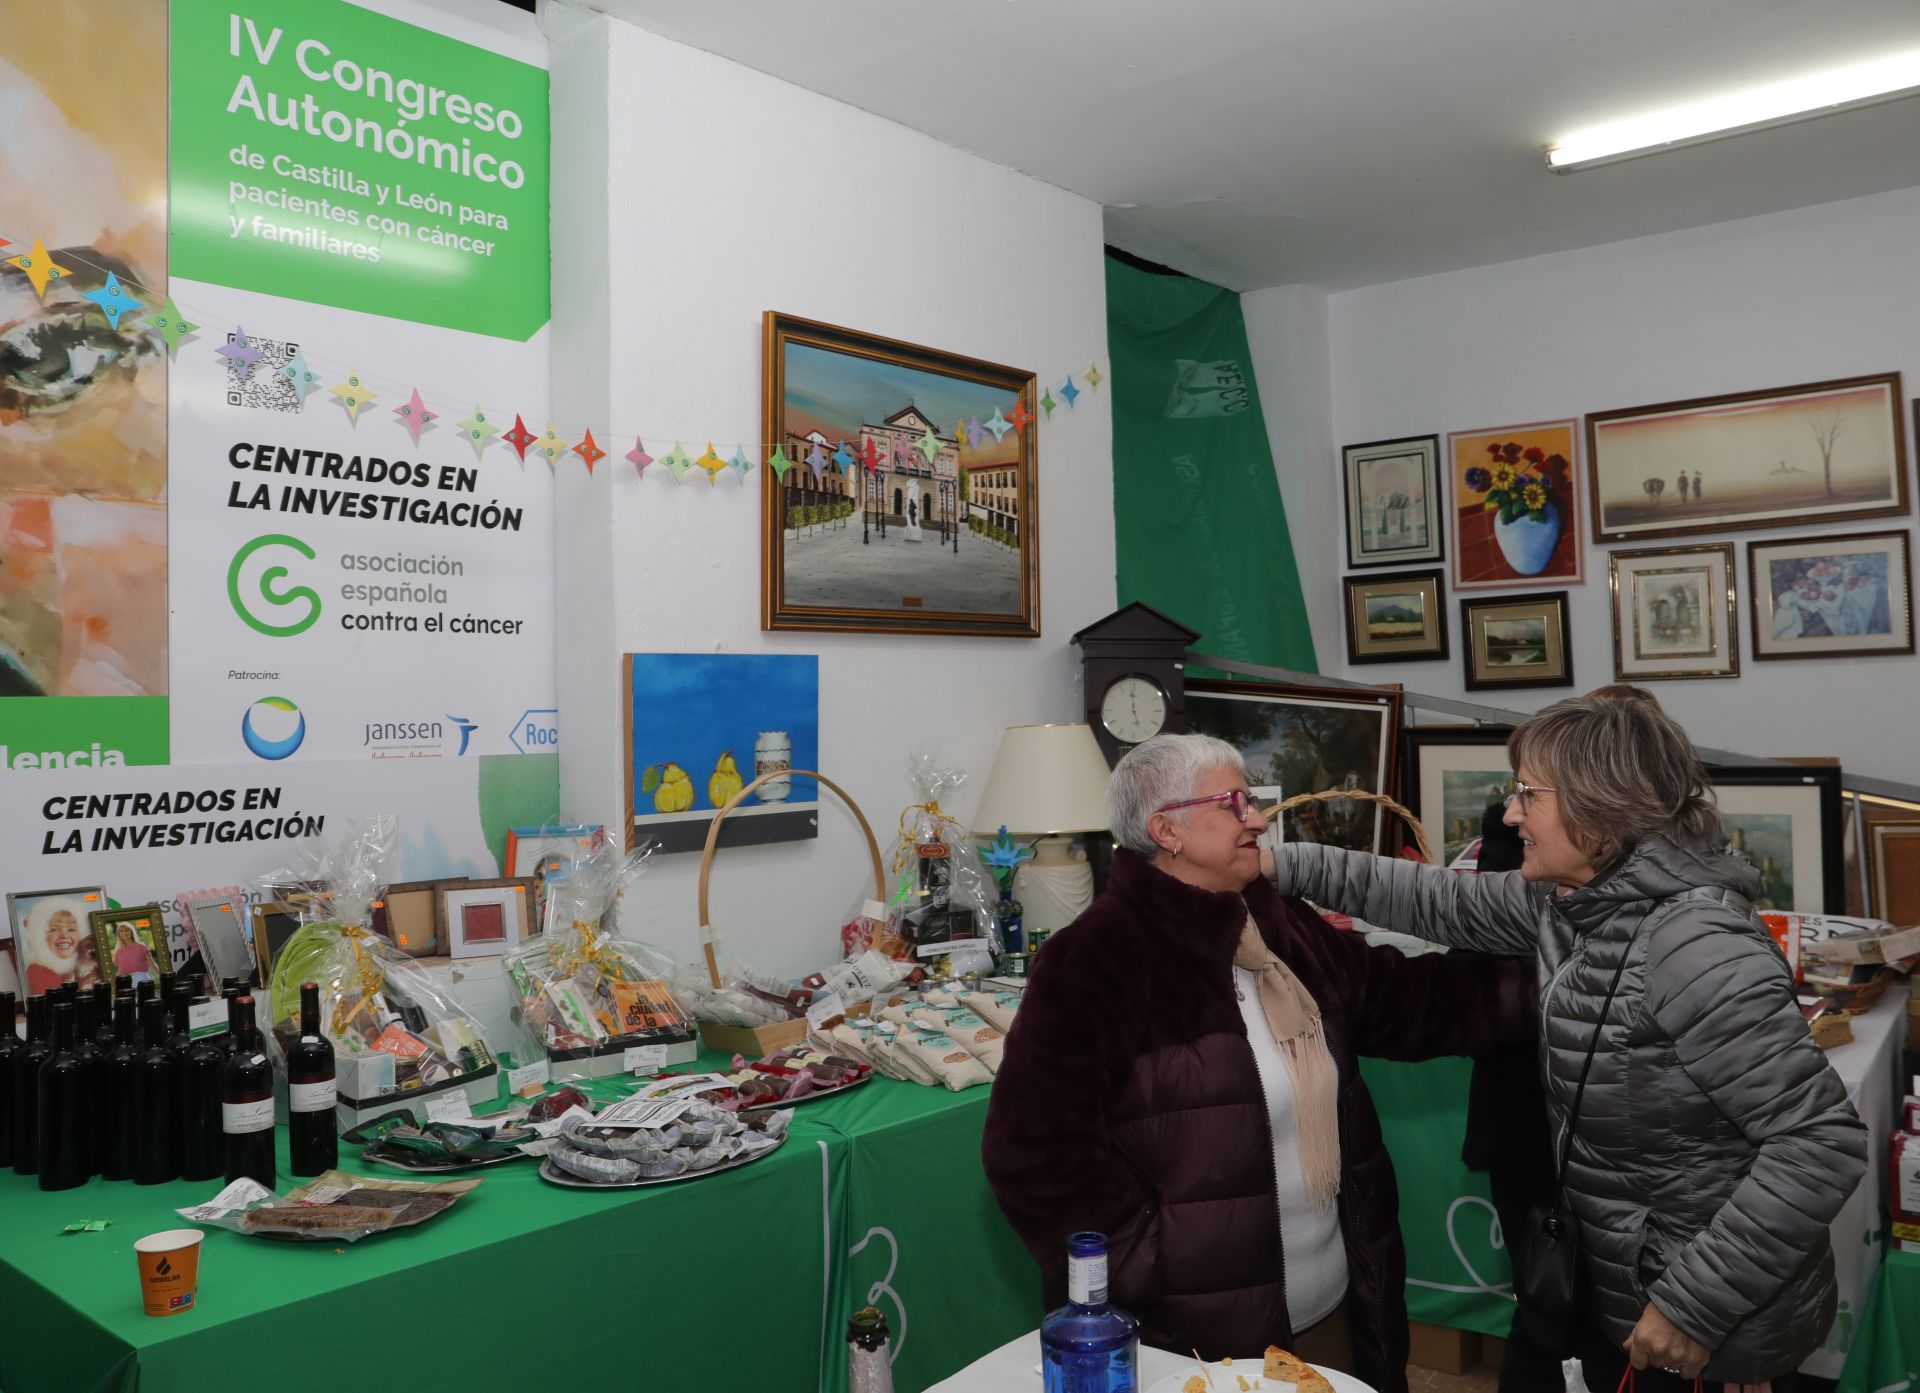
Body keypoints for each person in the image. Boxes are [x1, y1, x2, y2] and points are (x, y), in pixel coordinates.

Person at [1269, 690, 1867, 1393]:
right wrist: (1281, 866)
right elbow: (1439, 899)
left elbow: (1821, 1142)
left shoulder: (1694, 945)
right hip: (1624, 1290)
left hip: (1708, 1328)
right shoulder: (1576, 902)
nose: (1511, 812)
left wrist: (1693, 1306)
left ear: (1600, 807)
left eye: (1529, 793)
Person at [983, 734, 1536, 1393]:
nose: (1257, 817)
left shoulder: (1281, 927)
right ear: (1168, 830)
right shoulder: (1095, 960)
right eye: (1233, 801)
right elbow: (1032, 1152)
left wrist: (1565, 986)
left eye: (1251, 799)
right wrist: (1143, 1266)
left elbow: (1412, 1001)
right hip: (1191, 1337)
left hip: (1335, 1311)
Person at [1459, 803, 1566, 1393]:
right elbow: (1481, 958)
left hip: (1607, 1153)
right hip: (1528, 1120)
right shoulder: (1513, 841)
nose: (1514, 808)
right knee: (1547, 1313)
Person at [21, 896, 89, 995]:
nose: (65, 935)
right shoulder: (38, 971)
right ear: (41, 936)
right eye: (53, 929)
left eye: (71, 929)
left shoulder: (79, 968)